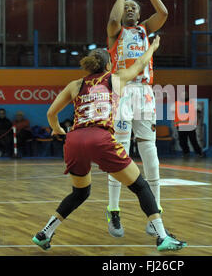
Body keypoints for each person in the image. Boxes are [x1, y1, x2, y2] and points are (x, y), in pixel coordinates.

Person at [32, 36, 187, 252]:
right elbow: (141, 64)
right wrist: (152, 47)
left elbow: (51, 113)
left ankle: (44, 233)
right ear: (108, 65)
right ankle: (162, 237)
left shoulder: (75, 85)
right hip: (99, 137)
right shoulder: (115, 79)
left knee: (80, 193)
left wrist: (58, 129)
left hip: (74, 140)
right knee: (141, 186)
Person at [106, 0, 168, 238]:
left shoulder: (144, 30)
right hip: (121, 92)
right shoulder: (117, 33)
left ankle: (155, 213)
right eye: (127, 7)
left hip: (144, 93)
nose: (130, 9)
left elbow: (163, 12)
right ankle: (113, 209)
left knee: (150, 155)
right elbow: (112, 20)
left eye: (134, 6)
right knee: (119, 154)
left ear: (140, 14)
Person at [173, 90, 205, 158]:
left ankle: (199, 153)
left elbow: (199, 109)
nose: (184, 96)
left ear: (188, 96)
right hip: (181, 126)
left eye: (185, 95)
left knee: (193, 140)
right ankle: (186, 153)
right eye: (182, 95)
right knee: (182, 142)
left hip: (190, 126)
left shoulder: (193, 103)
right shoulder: (177, 104)